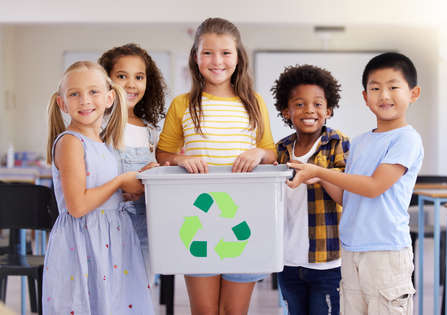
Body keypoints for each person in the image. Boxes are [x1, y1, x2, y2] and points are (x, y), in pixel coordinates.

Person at [156, 17, 276, 314]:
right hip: (197, 218)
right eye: (207, 52)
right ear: (196, 58)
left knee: (234, 312)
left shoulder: (254, 103)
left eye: (225, 53)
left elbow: (271, 153)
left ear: (238, 58)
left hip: (245, 216)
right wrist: (182, 159)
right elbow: (163, 154)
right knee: (205, 311)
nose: (217, 61)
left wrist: (259, 153)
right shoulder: (182, 104)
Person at [287, 52, 423, 315]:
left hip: (386, 251)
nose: (384, 95)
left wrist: (323, 172)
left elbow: (373, 187)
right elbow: (347, 197)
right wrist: (320, 178)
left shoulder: (407, 139)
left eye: (393, 87)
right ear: (365, 97)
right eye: (375, 88)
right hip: (351, 250)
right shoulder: (360, 142)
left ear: (413, 93)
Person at [43, 61, 155, 314]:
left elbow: (106, 194)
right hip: (84, 243)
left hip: (110, 240)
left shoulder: (102, 144)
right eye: (74, 94)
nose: (85, 100)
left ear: (109, 98)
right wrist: (120, 181)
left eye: (93, 92)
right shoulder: (70, 142)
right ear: (62, 103)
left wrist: (138, 179)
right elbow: (78, 206)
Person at [272, 64, 350, 315]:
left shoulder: (338, 143)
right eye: (299, 104)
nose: (309, 110)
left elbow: (347, 195)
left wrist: (318, 174)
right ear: (286, 111)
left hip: (327, 261)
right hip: (287, 259)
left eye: (317, 104)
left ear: (328, 110)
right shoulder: (280, 149)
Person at [99, 43, 166, 274]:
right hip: (109, 226)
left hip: (146, 227)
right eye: (121, 76)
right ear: (106, 80)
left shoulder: (150, 130)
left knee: (140, 292)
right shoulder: (99, 125)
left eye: (139, 77)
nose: (131, 84)